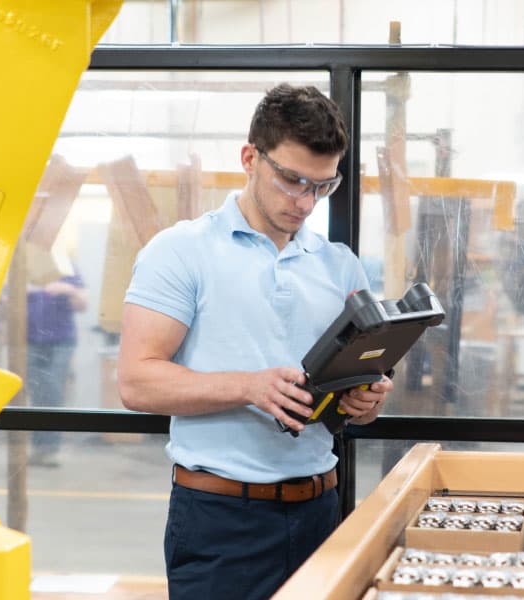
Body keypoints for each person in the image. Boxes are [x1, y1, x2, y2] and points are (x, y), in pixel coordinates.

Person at [118, 84, 392, 600]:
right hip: (222, 520)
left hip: (321, 512)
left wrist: (366, 399)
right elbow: (137, 381)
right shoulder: (181, 252)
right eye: (291, 181)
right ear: (250, 158)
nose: (305, 202)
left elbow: (359, 396)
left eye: (321, 187)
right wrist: (250, 387)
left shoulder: (339, 265)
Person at [26, 272, 86, 467]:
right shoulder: (26, 263)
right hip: (32, 339)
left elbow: (82, 304)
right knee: (37, 392)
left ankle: (51, 448)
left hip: (60, 339)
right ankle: (39, 447)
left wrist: (68, 290)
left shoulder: (66, 266)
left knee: (53, 391)